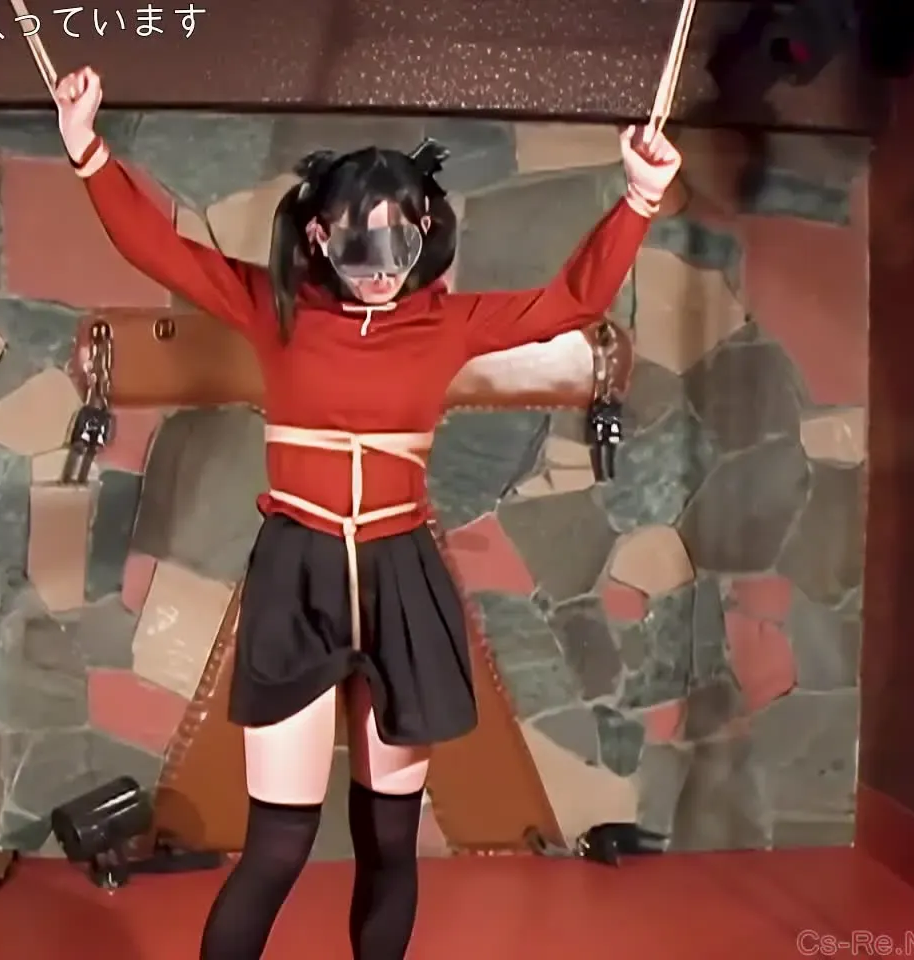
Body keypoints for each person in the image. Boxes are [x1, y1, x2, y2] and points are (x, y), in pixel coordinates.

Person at [55, 65, 681, 959]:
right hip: (298, 572)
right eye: (361, 251)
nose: (382, 275)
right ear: (319, 234)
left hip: (401, 575)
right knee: (278, 845)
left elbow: (574, 300)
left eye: (398, 250)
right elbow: (157, 250)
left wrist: (640, 195)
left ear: (424, 234)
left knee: (390, 842)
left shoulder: (446, 320)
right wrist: (85, 147)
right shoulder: (275, 305)